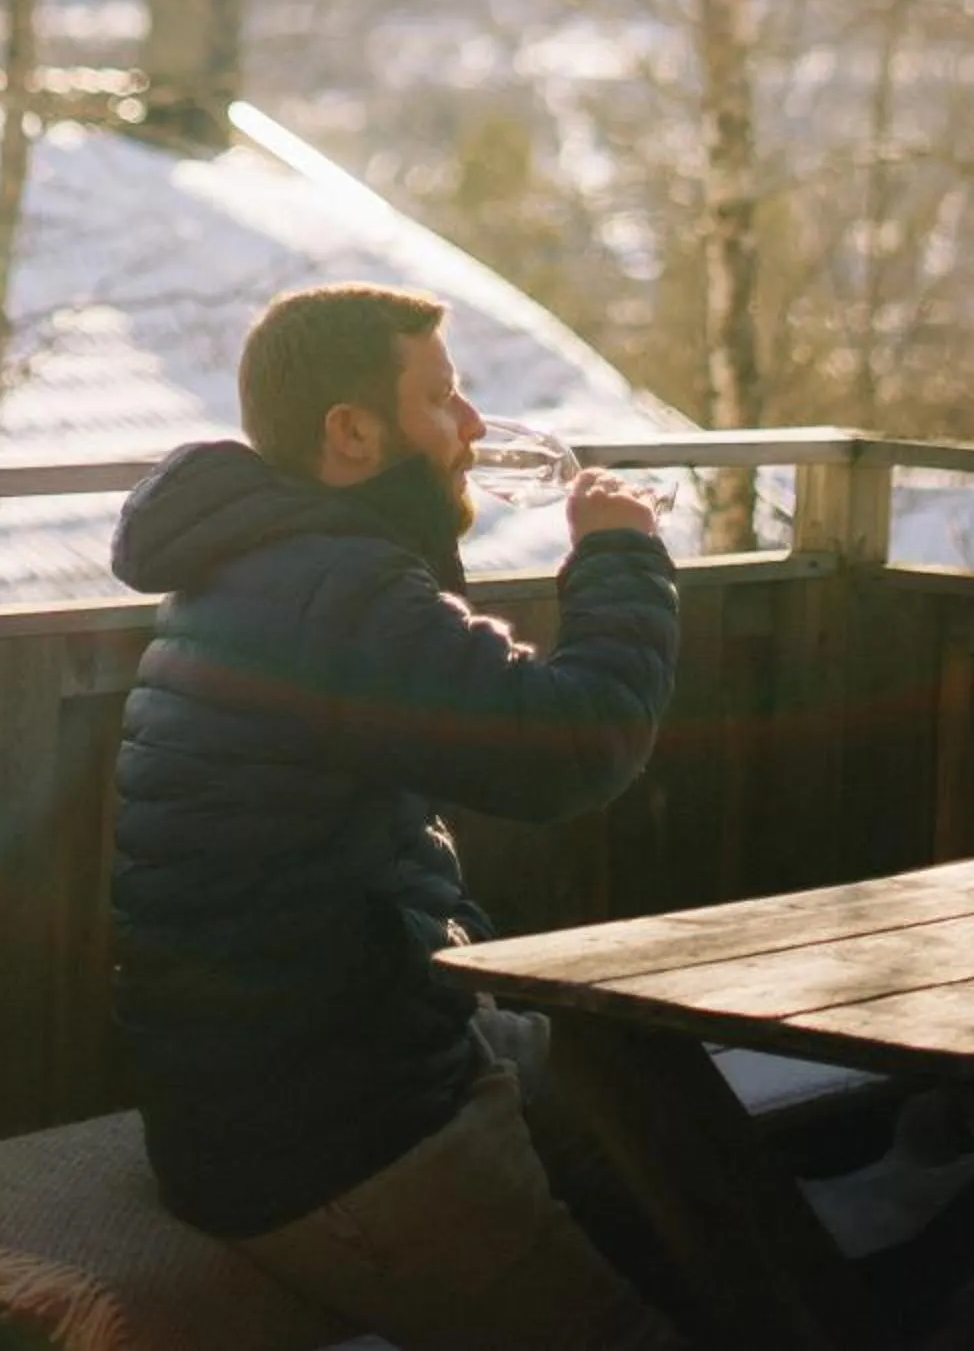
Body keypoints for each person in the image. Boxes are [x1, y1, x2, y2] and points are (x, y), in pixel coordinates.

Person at [109, 281, 686, 1351]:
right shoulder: (330, 591)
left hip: (299, 1071)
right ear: (352, 433)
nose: (472, 428)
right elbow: (576, 742)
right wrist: (617, 553)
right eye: (442, 400)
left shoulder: (266, 568)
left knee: (656, 1118)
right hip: (331, 1136)